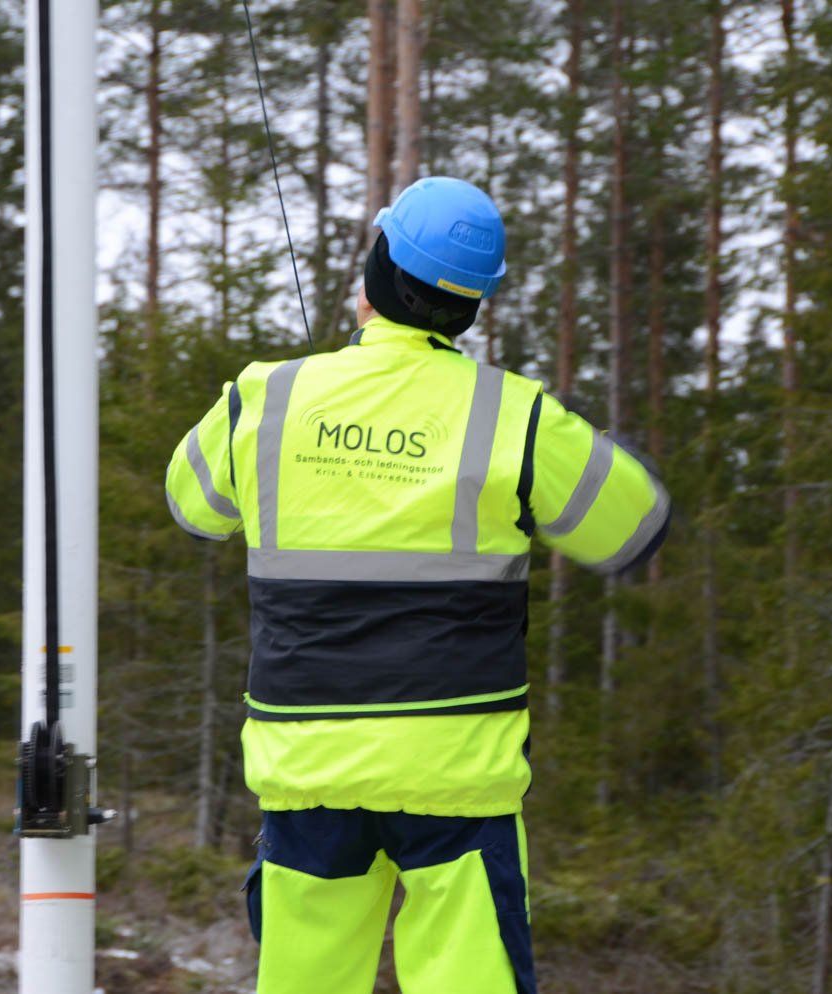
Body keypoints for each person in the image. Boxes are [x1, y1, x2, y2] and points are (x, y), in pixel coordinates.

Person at [165, 176, 669, 994]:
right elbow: (636, 529)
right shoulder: (513, 414)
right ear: (470, 306)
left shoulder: (268, 395)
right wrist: (581, 433)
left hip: (307, 765)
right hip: (454, 773)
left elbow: (191, 507)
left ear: (375, 271)